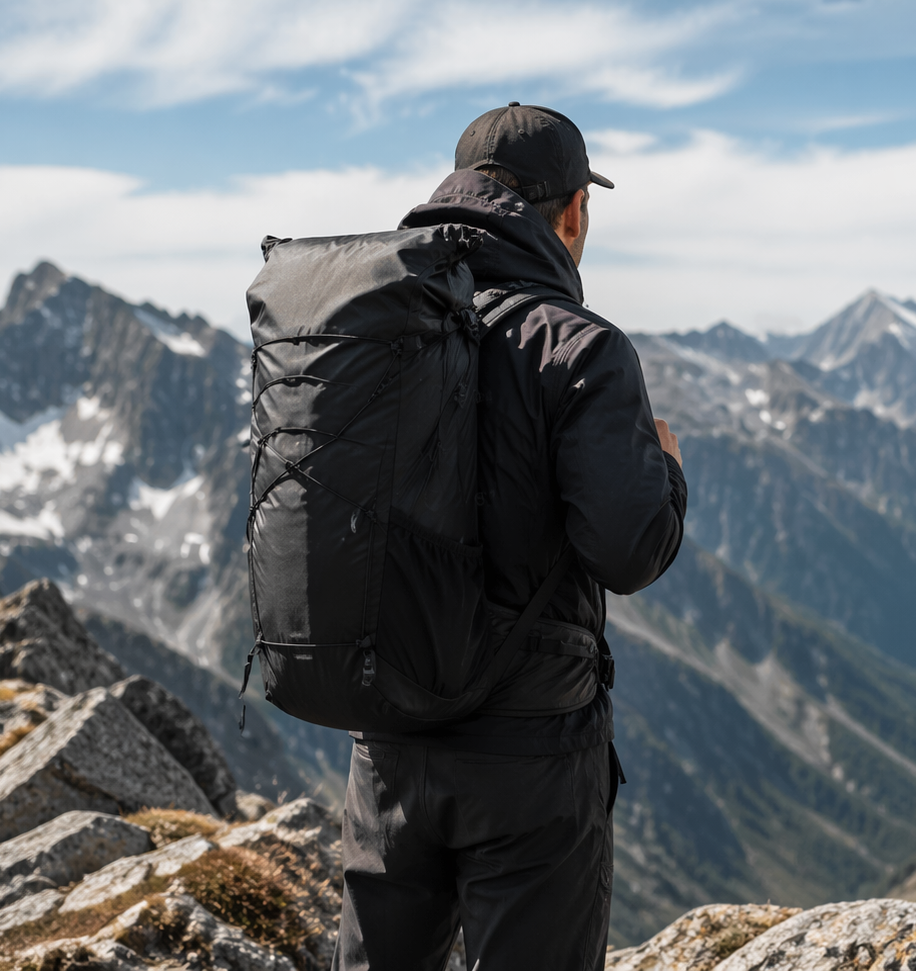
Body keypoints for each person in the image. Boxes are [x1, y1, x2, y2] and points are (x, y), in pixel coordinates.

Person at [334, 103, 688, 971]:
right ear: (572, 213)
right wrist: (667, 472)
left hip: (388, 740)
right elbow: (628, 551)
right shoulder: (580, 348)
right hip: (529, 755)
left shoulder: (378, 330)